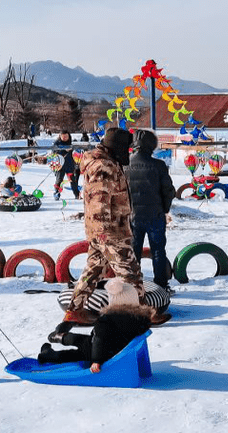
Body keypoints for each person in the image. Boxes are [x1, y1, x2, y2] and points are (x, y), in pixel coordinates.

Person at [62, 128, 155, 328]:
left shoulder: (106, 162)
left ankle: (74, 311)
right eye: (126, 147)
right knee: (130, 273)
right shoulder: (104, 166)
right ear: (118, 147)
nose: (128, 152)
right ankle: (144, 315)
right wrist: (104, 232)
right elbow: (98, 201)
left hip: (102, 230)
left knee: (93, 270)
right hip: (109, 230)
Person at [42, 278, 157, 371]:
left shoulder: (107, 320)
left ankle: (49, 352)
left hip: (101, 352)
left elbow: (99, 339)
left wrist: (96, 360)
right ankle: (59, 337)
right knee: (80, 340)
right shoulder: (142, 320)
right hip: (118, 350)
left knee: (74, 350)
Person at [125, 130, 176, 293]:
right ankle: (161, 285)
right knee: (158, 251)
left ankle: (133, 286)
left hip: (132, 216)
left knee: (133, 252)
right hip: (155, 215)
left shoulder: (125, 165)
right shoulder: (159, 165)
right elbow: (169, 190)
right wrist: (164, 208)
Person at [52, 132, 80, 200]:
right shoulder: (57, 143)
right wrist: (64, 150)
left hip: (69, 165)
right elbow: (54, 152)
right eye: (63, 136)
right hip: (60, 165)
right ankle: (56, 193)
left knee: (73, 180)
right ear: (60, 136)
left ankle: (77, 194)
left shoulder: (70, 143)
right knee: (59, 180)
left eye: (66, 136)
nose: (65, 138)